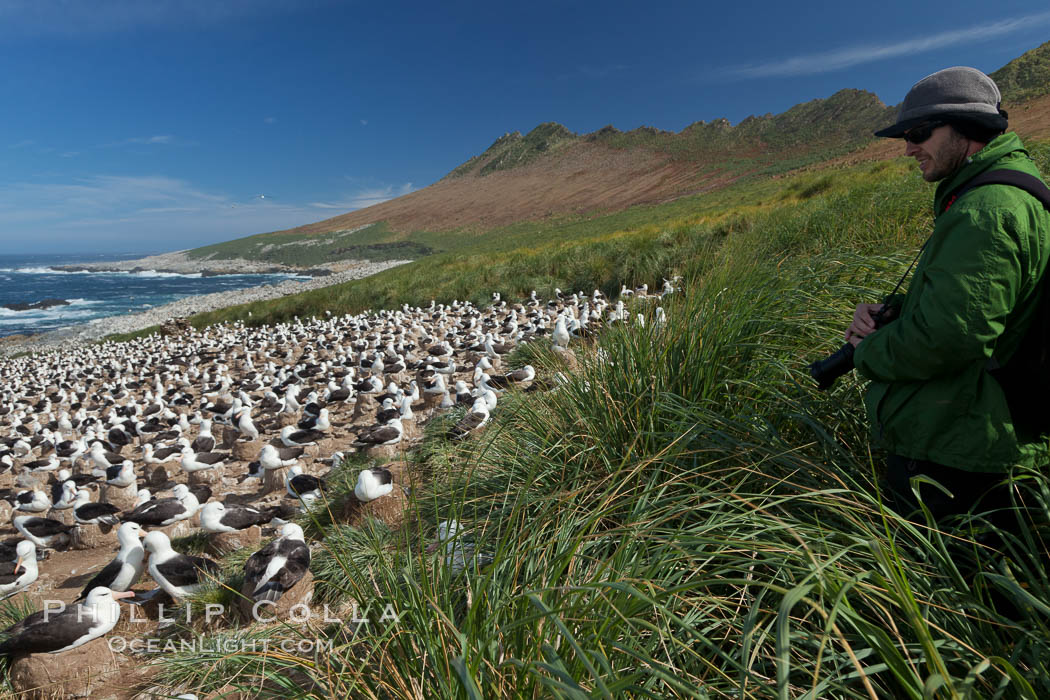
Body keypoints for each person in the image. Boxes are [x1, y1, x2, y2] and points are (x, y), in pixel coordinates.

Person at [846, 66, 1050, 529]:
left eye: (919, 132)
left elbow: (950, 338)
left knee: (947, 598)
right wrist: (894, 314)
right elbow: (979, 309)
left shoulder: (987, 210)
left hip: (964, 460)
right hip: (970, 443)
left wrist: (867, 352)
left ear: (968, 127)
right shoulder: (996, 195)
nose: (908, 147)